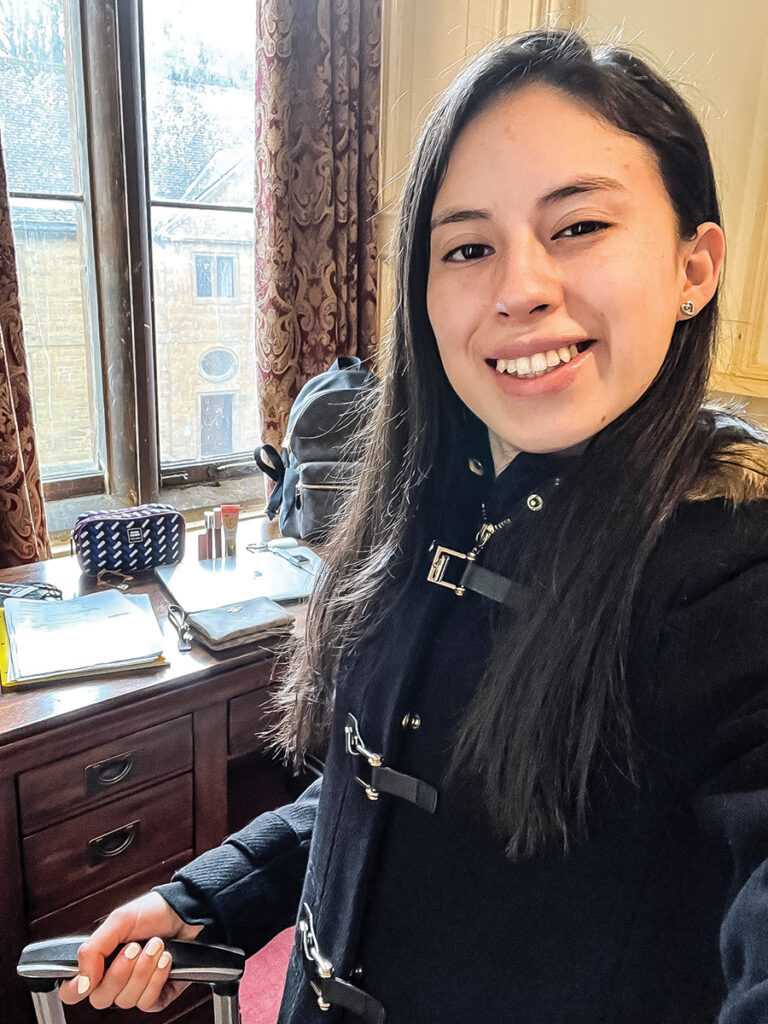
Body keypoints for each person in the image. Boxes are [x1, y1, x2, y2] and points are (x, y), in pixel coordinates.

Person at [60, 28, 768, 1023]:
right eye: (468, 246)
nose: (519, 288)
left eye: (578, 228)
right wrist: (200, 898)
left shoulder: (728, 565)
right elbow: (365, 788)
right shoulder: (425, 505)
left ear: (695, 266)